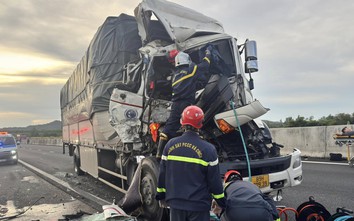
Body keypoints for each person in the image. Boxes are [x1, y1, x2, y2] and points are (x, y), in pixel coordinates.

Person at [156, 105, 226, 221]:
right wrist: (221, 202)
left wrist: (161, 196)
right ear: (201, 124)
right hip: (198, 206)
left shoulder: (170, 145)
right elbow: (214, 181)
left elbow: (162, 173)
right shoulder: (209, 149)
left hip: (175, 204)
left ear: (182, 122)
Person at [156, 47, 213, 160]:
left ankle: (159, 154)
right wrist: (208, 53)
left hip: (176, 104)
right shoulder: (191, 69)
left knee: (169, 128)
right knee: (194, 125)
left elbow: (189, 84)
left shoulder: (175, 75)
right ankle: (198, 151)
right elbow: (205, 65)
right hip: (187, 104)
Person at [212, 170, 279, 221]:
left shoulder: (226, 187)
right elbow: (268, 199)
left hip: (236, 213)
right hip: (261, 212)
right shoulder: (251, 185)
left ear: (226, 181)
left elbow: (221, 203)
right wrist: (276, 218)